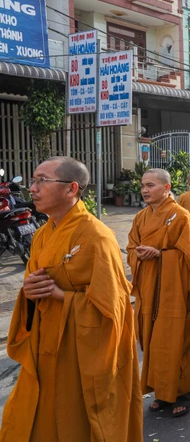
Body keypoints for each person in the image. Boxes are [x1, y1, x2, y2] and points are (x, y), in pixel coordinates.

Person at [0, 157, 143, 441]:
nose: (33, 189)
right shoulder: (41, 235)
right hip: (44, 345)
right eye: (33, 180)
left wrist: (62, 296)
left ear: (71, 188)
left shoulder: (97, 236)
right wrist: (28, 292)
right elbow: (32, 286)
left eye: (42, 180)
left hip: (81, 354)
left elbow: (114, 309)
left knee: (77, 421)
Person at [127, 169, 190, 417]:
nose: (145, 190)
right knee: (152, 340)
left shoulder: (180, 216)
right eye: (142, 185)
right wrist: (138, 254)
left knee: (175, 338)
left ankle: (183, 391)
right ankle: (162, 390)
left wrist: (161, 254)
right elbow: (130, 246)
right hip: (149, 289)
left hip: (174, 291)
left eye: (150, 185)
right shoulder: (141, 217)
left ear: (166, 187)